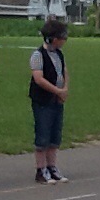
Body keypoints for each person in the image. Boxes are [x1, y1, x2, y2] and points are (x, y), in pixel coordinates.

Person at [29, 19, 70, 183]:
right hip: (43, 100)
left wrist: (64, 89)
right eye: (61, 37)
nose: (64, 40)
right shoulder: (38, 55)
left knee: (55, 134)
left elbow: (64, 71)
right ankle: (41, 169)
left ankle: (52, 166)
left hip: (57, 100)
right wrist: (57, 91)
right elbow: (39, 79)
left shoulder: (59, 54)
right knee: (43, 134)